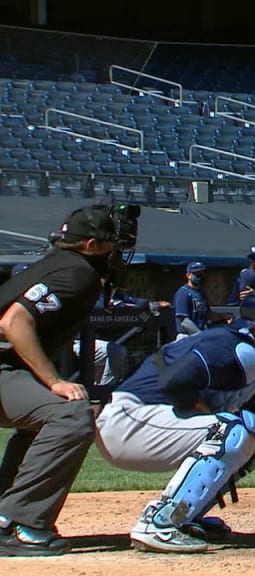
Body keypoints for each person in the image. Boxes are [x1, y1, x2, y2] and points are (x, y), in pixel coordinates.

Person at [93, 287, 255, 553]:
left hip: (145, 419)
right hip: (128, 422)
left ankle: (186, 515)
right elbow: (172, 382)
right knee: (232, 429)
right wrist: (207, 413)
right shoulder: (231, 348)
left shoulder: (243, 348)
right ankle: (160, 522)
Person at [0, 202, 139, 556]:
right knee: (70, 415)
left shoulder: (57, 263)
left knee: (45, 419)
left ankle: (7, 513)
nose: (118, 250)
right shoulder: (78, 273)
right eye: (112, 242)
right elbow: (14, 322)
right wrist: (53, 381)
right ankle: (20, 525)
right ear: (90, 246)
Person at [172, 261, 228, 340]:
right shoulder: (183, 293)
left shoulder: (201, 293)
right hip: (187, 336)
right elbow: (184, 321)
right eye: (196, 274)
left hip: (201, 334)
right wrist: (200, 335)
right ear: (188, 275)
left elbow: (207, 314)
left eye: (202, 274)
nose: (199, 276)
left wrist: (223, 317)